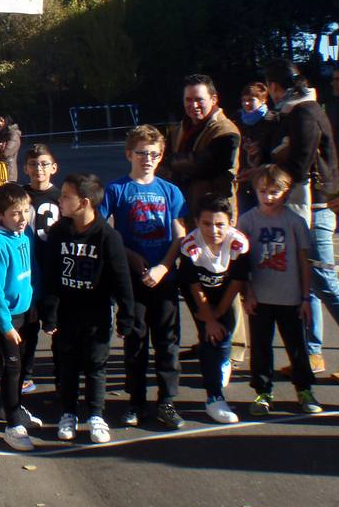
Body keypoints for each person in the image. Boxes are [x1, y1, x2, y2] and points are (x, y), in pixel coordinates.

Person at [101, 124, 187, 430]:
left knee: (167, 341)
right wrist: (130, 256)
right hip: (132, 280)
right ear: (129, 154)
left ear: (161, 156)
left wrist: (164, 265)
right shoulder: (117, 190)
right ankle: (135, 400)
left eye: (153, 154)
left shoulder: (170, 191)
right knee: (135, 341)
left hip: (164, 278)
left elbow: (180, 234)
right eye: (141, 153)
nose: (147, 158)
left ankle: (167, 401)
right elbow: (106, 232)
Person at [40, 174, 133, 445]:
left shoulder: (108, 236)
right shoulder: (58, 232)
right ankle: (68, 412)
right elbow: (51, 276)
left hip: (97, 314)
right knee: (67, 364)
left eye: (66, 196)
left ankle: (95, 414)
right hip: (67, 313)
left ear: (84, 202)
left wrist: (127, 316)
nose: (60, 199)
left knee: (95, 365)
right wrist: (50, 313)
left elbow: (121, 279)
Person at [264, 60, 339, 377]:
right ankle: (311, 354)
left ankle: (312, 353)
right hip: (307, 206)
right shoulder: (294, 111)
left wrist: (268, 165)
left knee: (325, 284)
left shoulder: (304, 112)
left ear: (274, 87)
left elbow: (299, 164)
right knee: (307, 286)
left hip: (315, 208)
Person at [236, 165, 323, 415]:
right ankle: (263, 392)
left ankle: (304, 390)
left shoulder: (294, 221)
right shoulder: (247, 220)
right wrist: (248, 293)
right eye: (263, 191)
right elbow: (242, 263)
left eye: (274, 191)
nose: (268, 196)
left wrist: (306, 297)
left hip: (291, 297)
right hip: (260, 298)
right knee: (261, 347)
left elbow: (303, 262)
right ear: (255, 191)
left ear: (285, 192)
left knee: (297, 347)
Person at [175, 196, 248, 424]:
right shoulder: (190, 246)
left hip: (225, 290)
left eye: (220, 224)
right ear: (196, 222)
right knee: (208, 338)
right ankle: (214, 397)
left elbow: (237, 281)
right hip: (198, 292)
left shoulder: (238, 244)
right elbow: (193, 284)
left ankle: (224, 360)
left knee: (225, 333)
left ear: (231, 223)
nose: (213, 230)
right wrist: (208, 317)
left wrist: (219, 314)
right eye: (206, 224)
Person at [0, 182, 40, 451]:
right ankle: (12, 424)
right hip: (4, 314)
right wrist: (5, 324)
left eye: (25, 211)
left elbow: (28, 275)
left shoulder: (25, 236)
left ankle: (13, 407)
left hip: (25, 311)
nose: (22, 218)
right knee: (12, 364)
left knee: (23, 363)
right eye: (15, 213)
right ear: (0, 214)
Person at [161, 73, 240, 212]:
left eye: (199, 99)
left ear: (214, 99)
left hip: (215, 212)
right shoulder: (177, 130)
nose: (193, 105)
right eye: (188, 100)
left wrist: (172, 162)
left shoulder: (226, 131)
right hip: (182, 208)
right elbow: (162, 164)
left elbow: (206, 165)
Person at [21, 144, 60, 393]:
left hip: (55, 270)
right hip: (28, 270)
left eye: (44, 164)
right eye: (34, 164)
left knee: (58, 326)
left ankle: (62, 375)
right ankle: (25, 374)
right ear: (26, 168)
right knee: (29, 326)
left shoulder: (61, 196)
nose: (39, 169)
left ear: (54, 167)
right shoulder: (19, 195)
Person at [236, 83, 277, 214]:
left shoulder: (272, 120)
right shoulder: (237, 121)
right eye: (244, 100)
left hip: (265, 178)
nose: (246, 104)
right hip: (243, 178)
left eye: (251, 100)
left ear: (263, 100)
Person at [0, 116, 22, 181]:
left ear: (7, 121)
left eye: (2, 121)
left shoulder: (13, 134)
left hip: (8, 172)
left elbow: (6, 153)